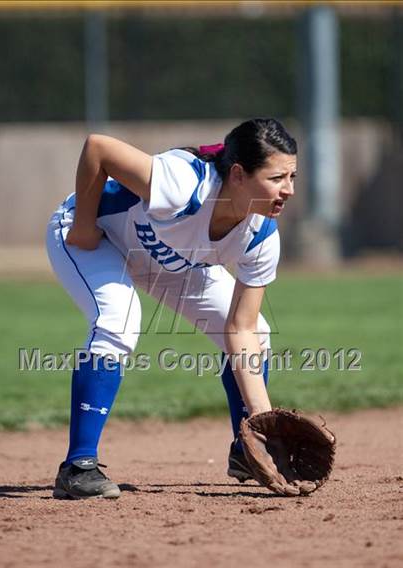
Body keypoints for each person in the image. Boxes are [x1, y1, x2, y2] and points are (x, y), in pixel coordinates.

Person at [46, 117, 297, 499]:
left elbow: (240, 330)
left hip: (174, 263)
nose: (289, 190)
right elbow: (98, 148)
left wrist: (263, 423)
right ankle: (77, 467)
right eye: (277, 178)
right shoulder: (184, 184)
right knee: (119, 320)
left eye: (292, 177)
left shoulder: (260, 236)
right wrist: (83, 225)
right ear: (239, 175)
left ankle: (246, 448)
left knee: (259, 334)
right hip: (96, 236)